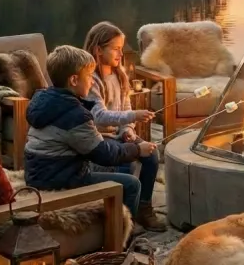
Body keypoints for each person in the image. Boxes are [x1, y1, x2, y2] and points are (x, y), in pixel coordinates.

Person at [23, 44, 165, 231]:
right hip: (60, 180)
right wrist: (138, 149)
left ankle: (116, 217)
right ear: (74, 80)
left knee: (122, 163)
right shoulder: (74, 114)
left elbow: (77, 140)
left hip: (43, 173)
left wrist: (116, 136)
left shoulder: (46, 100)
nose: (91, 81)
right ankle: (122, 236)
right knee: (132, 185)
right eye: (89, 76)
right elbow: (104, 155)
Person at [83, 21, 166, 231]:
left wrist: (128, 129)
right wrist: (134, 115)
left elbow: (125, 106)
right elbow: (99, 116)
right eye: (116, 49)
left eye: (121, 48)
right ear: (98, 50)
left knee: (152, 155)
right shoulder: (91, 80)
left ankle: (144, 207)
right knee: (125, 164)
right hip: (101, 137)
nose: (121, 54)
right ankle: (124, 218)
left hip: (119, 134)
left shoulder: (119, 74)